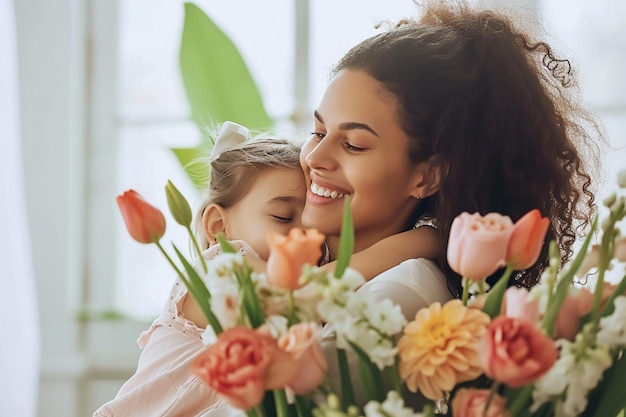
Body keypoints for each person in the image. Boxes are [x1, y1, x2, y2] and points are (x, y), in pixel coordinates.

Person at [93, 121, 442, 417]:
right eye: (282, 217)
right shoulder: (218, 269)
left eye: (310, 224)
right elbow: (311, 290)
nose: (301, 234)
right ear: (218, 225)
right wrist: (421, 240)